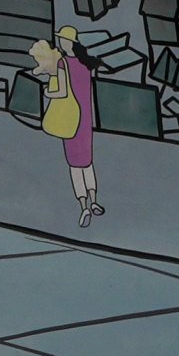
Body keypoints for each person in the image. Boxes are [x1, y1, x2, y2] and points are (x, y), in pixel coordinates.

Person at [49, 26, 103, 218]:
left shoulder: (63, 63)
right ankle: (94, 200)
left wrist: (47, 92)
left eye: (63, 40)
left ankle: (84, 206)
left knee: (74, 164)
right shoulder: (86, 63)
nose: (61, 43)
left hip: (70, 117)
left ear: (69, 43)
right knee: (87, 162)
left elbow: (62, 92)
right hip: (85, 117)